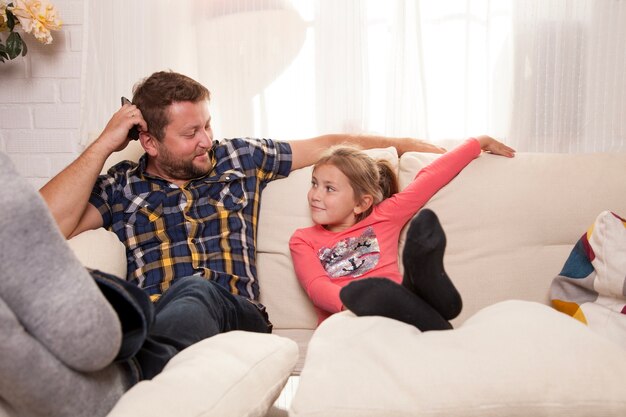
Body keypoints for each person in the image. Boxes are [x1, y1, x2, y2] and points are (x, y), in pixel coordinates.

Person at [38, 70, 449, 383]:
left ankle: (138, 377)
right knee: (141, 301)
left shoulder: (239, 158)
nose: (206, 140)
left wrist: (410, 145)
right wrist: (105, 143)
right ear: (149, 141)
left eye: (207, 125)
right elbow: (44, 225)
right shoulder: (121, 184)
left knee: (196, 289)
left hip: (240, 318)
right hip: (159, 315)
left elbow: (329, 143)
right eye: (190, 132)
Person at [289, 137, 515, 330]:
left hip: (396, 315)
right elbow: (316, 287)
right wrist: (358, 302)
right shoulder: (303, 239)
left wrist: (478, 142)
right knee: (434, 316)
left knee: (403, 306)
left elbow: (431, 177)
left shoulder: (385, 217)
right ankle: (438, 301)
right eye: (314, 184)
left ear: (361, 203)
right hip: (345, 323)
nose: (315, 195)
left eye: (329, 188)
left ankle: (424, 273)